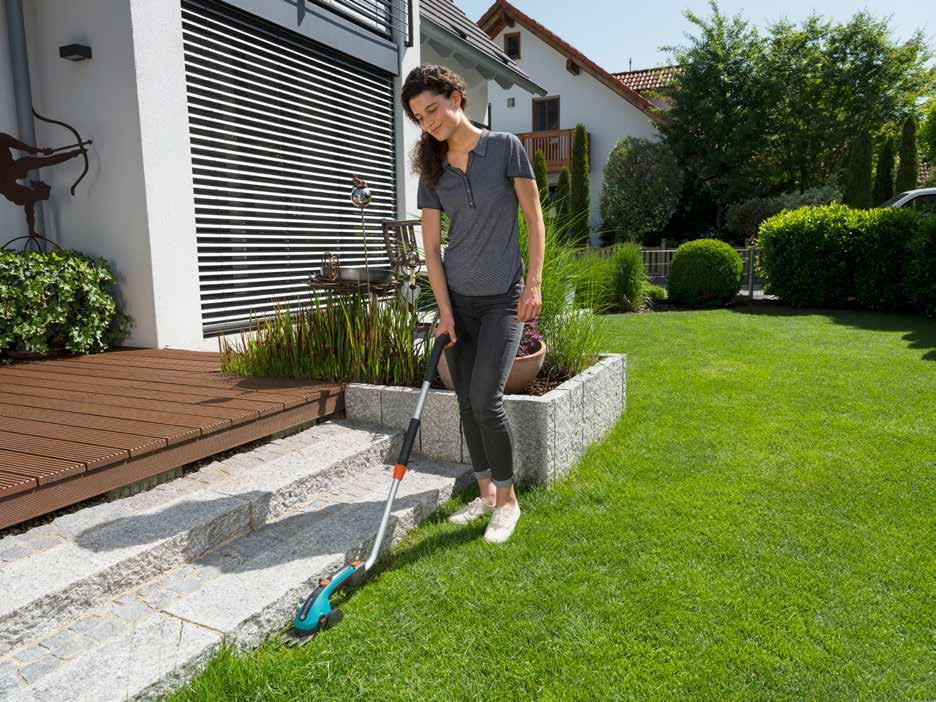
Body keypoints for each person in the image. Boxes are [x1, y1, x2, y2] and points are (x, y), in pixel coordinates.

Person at [401, 65, 545, 544]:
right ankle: (484, 493)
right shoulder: (433, 169)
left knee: (487, 399)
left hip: (503, 297)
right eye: (419, 117)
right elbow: (432, 248)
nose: (429, 122)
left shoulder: (504, 148)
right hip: (458, 301)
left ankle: (509, 501)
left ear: (456, 97)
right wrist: (443, 310)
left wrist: (534, 284)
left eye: (433, 109)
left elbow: (533, 217)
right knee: (465, 400)